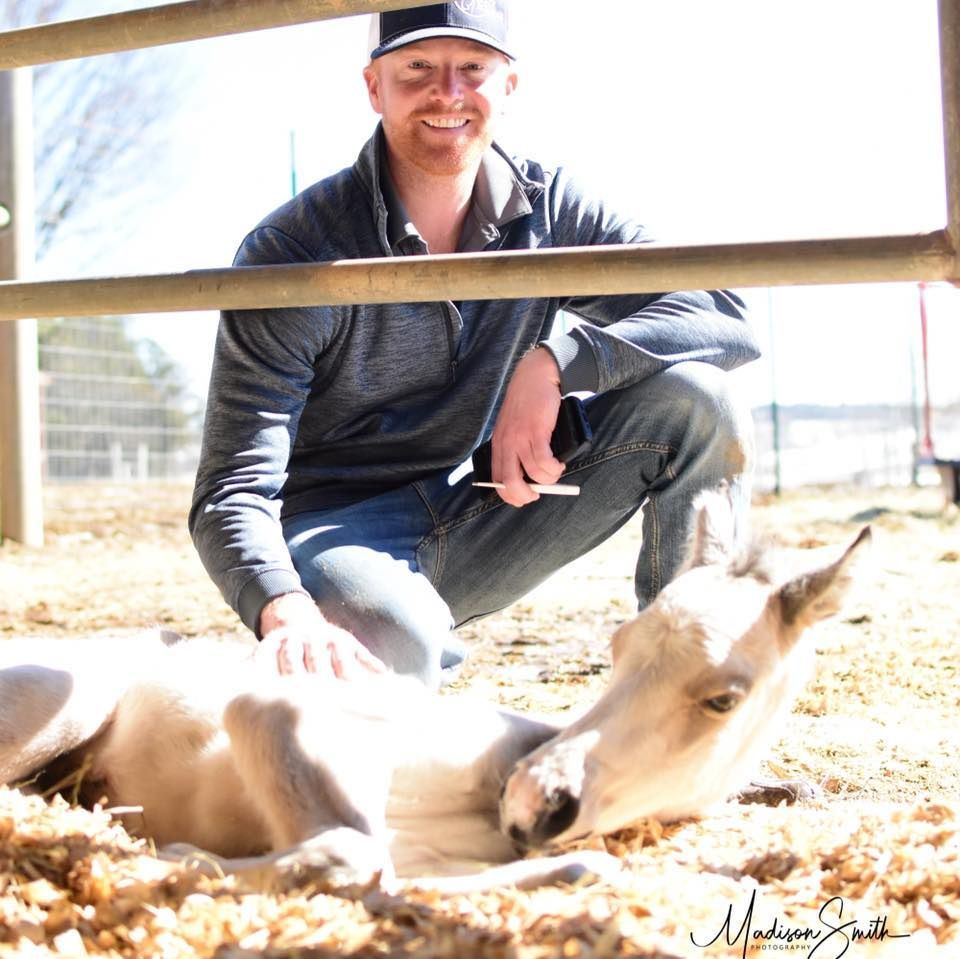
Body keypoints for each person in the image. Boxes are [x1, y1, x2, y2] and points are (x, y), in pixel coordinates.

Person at [190, 1, 760, 688]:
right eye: (417, 69)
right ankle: (396, 665)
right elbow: (232, 488)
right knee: (387, 645)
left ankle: (682, 694)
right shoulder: (296, 251)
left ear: (508, 85)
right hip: (343, 531)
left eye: (473, 69)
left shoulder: (551, 208)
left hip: (490, 499)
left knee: (701, 401)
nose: (447, 94)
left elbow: (722, 309)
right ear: (374, 86)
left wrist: (557, 362)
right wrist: (285, 610)